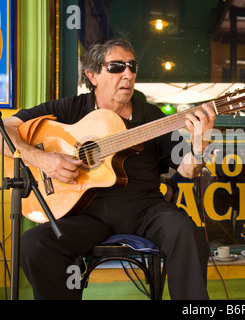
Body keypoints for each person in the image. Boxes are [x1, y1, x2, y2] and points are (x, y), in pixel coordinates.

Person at [2, 38, 216, 300]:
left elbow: (188, 171)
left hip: (143, 208)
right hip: (84, 214)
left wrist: (198, 145)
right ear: (93, 75)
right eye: (116, 67)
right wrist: (42, 159)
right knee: (34, 244)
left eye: (132, 66)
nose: (128, 73)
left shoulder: (152, 117)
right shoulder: (70, 109)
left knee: (187, 233)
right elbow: (4, 131)